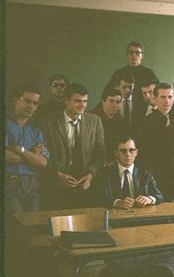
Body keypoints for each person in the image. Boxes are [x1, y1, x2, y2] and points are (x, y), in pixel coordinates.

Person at [42, 83, 105, 209]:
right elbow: (43, 155)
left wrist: (90, 175)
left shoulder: (94, 121)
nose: (82, 105)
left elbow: (100, 154)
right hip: (58, 181)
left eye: (85, 101)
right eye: (78, 101)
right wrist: (58, 175)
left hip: (85, 180)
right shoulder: (49, 122)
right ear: (66, 100)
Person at [5, 84, 49, 213]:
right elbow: (6, 156)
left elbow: (43, 163)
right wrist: (31, 156)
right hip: (10, 183)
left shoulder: (36, 130)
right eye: (27, 101)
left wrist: (20, 149)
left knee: (34, 226)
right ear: (16, 101)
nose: (31, 106)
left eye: (35, 103)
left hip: (33, 185)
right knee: (17, 226)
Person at [99, 136, 164, 209]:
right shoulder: (106, 173)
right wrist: (117, 202)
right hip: (114, 217)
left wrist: (149, 199)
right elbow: (99, 198)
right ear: (116, 153)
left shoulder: (144, 173)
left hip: (141, 216)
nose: (128, 154)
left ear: (136, 152)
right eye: (123, 151)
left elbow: (159, 195)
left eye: (131, 150)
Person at [108, 41, 159, 119]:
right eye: (131, 52)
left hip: (143, 113)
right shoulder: (118, 73)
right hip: (121, 112)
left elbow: (158, 93)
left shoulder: (149, 73)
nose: (134, 55)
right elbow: (108, 93)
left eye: (137, 53)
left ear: (142, 56)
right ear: (127, 55)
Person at [90, 87, 129, 165]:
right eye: (111, 101)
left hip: (114, 162)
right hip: (93, 161)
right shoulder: (92, 118)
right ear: (103, 102)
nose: (115, 105)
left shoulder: (121, 121)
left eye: (118, 102)